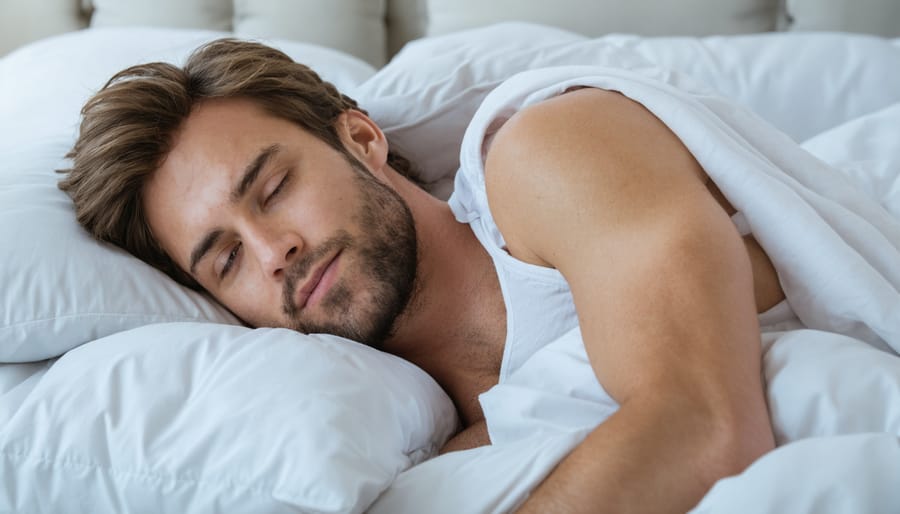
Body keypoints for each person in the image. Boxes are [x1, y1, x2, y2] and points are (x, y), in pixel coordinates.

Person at [59, 39, 781, 513]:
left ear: (361, 139)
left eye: (274, 188)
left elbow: (706, 428)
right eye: (227, 259)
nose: (273, 251)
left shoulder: (545, 152)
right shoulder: (431, 462)